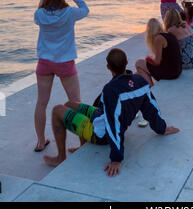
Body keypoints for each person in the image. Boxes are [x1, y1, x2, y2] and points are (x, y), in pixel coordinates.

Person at [44, 48, 179, 176]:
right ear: (126, 63)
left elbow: (112, 122)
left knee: (57, 110)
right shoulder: (140, 82)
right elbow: (151, 109)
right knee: (70, 104)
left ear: (108, 67)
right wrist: (161, 128)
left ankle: (60, 158)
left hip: (101, 134)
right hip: (101, 116)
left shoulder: (111, 90)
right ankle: (82, 145)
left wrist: (116, 158)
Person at [34, 0, 89, 152]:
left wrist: (44, 1)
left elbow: (39, 13)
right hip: (64, 62)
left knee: (41, 103)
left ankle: (41, 142)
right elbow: (85, 10)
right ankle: (82, 142)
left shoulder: (40, 14)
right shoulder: (69, 13)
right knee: (76, 102)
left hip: (45, 63)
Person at [135, 18, 182, 87]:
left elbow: (157, 62)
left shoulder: (158, 38)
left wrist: (149, 59)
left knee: (138, 63)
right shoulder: (168, 34)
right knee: (138, 71)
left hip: (171, 72)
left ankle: (150, 87)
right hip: (177, 70)